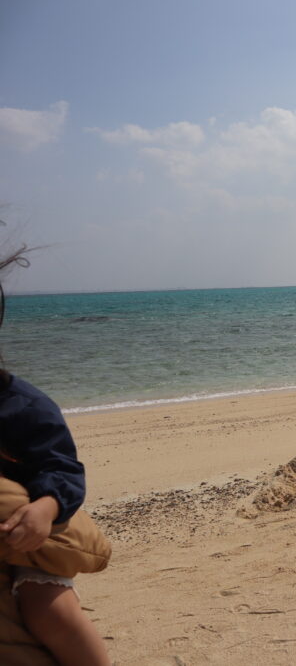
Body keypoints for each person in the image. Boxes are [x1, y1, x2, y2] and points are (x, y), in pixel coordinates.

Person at [0, 244, 109, 665]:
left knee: (46, 608)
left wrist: (45, 508)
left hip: (36, 530)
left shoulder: (23, 405)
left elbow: (61, 467)